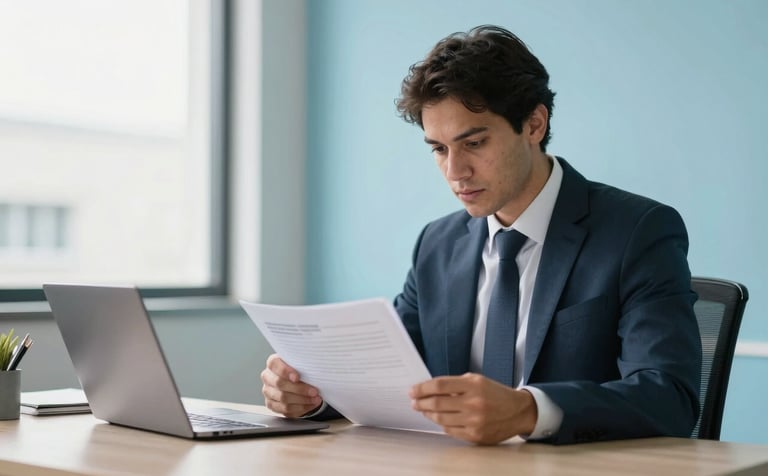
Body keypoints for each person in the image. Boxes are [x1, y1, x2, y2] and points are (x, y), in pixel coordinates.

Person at [260, 25, 702, 445]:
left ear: (534, 125)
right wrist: (314, 397)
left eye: (474, 143)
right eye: (439, 149)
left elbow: (669, 396)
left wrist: (529, 411)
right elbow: (390, 382)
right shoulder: (437, 244)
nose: (455, 172)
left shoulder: (637, 231)